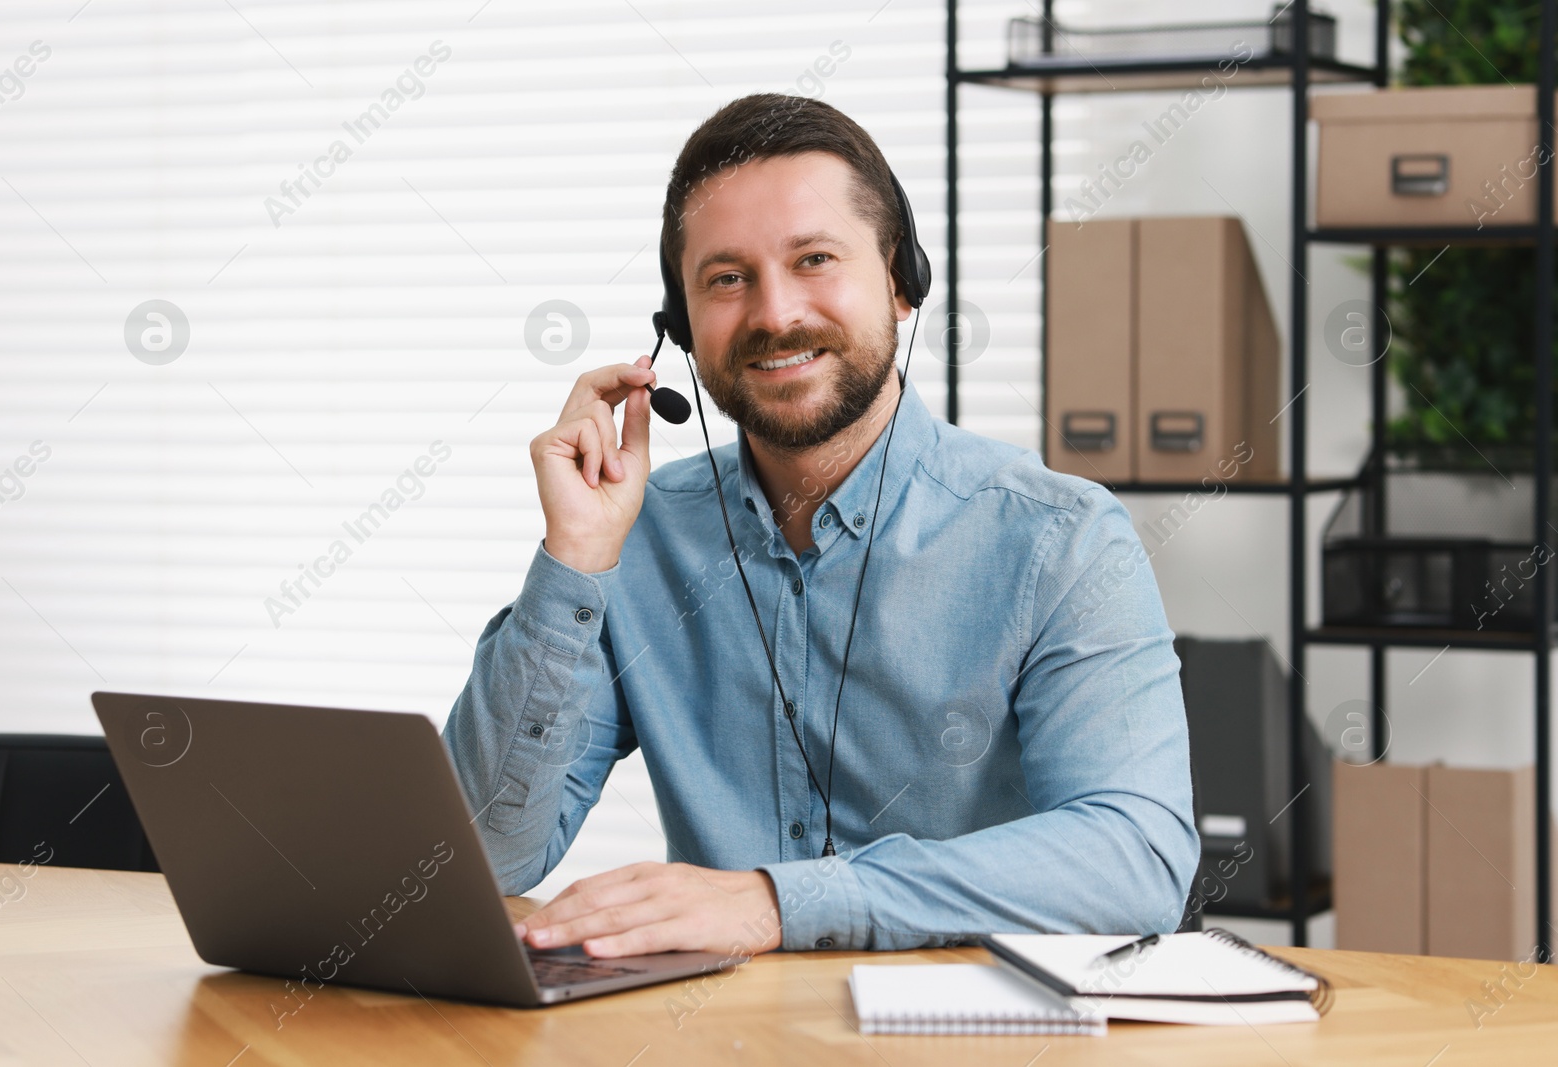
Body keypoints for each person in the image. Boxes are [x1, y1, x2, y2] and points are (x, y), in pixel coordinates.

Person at [444, 93, 1199, 959]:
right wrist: (573, 558)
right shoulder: (635, 539)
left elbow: (1134, 858)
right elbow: (482, 854)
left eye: (813, 259)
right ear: (680, 327)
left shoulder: (1060, 539)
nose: (774, 314)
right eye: (727, 278)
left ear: (901, 282)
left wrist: (780, 902)